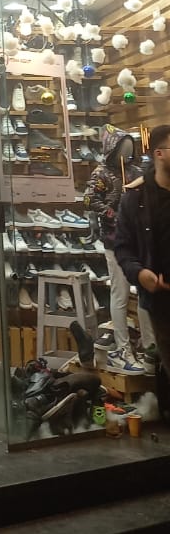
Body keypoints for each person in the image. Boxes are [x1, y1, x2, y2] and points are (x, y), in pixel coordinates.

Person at [84, 125, 154, 372]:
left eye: (129, 146)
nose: (127, 151)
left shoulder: (136, 170)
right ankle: (122, 348)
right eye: (122, 146)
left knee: (144, 293)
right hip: (115, 240)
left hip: (139, 240)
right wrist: (112, 213)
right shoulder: (101, 173)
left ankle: (149, 347)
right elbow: (90, 199)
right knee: (120, 293)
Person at [115, 123, 170, 385]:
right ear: (160, 154)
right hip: (163, 304)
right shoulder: (135, 200)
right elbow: (123, 247)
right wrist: (139, 273)